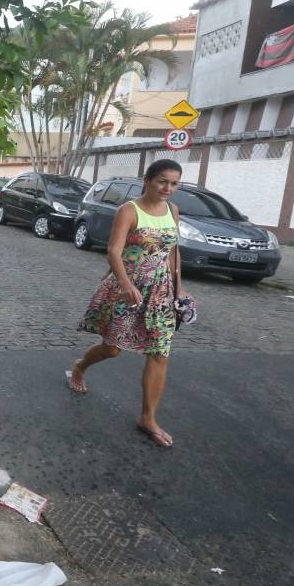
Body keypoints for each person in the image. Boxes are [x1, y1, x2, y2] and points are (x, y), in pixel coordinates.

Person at [67, 158, 188, 447]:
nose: (168, 188)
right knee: (112, 349)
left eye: (174, 183)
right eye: (162, 182)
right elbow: (113, 250)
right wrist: (125, 284)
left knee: (160, 353)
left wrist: (179, 289)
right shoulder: (129, 210)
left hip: (160, 293)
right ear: (147, 180)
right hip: (127, 288)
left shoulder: (173, 210)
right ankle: (81, 366)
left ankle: (148, 417)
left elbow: (173, 253)